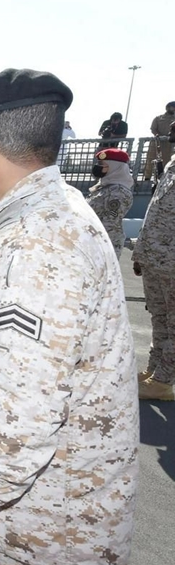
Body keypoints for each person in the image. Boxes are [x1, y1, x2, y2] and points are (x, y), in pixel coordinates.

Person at [0, 69, 138, 565]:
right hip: (22, 519)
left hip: (25, 535)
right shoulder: (52, 213)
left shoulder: (37, 245)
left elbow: (25, 418)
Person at [134, 120, 175, 400]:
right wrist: (141, 251)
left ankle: (163, 380)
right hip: (155, 258)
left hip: (171, 262)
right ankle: (153, 371)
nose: (170, 129)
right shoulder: (171, 165)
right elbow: (156, 212)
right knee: (160, 320)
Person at [87, 148, 134, 259]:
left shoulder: (118, 192)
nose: (98, 167)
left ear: (114, 167)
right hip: (93, 243)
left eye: (102, 164)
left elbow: (110, 224)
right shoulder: (104, 187)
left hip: (102, 248)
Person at [144, 101, 175, 180]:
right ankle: (147, 177)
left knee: (167, 160)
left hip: (169, 143)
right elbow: (153, 128)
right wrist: (158, 135)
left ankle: (163, 178)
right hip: (156, 142)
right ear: (168, 107)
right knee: (151, 159)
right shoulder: (158, 118)